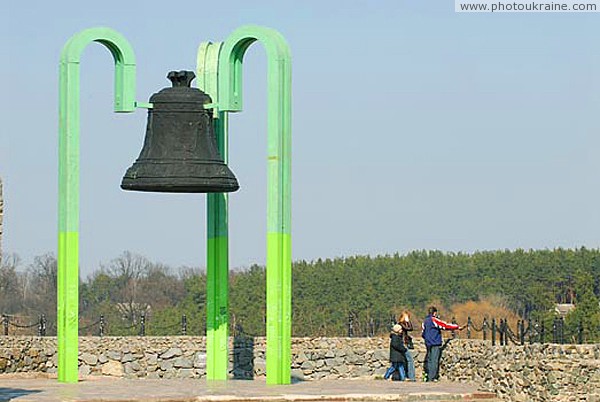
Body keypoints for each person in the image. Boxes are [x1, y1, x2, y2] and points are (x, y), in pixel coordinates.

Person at [421, 306, 464, 382]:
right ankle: (432, 377)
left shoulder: (425, 321)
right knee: (434, 360)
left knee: (429, 360)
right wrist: (456, 327)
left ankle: (428, 376)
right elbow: (445, 325)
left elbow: (423, 333)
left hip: (428, 343)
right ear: (434, 313)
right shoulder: (434, 320)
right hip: (435, 342)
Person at [399, 310, 416, 381]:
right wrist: (408, 321)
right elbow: (409, 328)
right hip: (403, 343)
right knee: (410, 360)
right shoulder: (400, 324)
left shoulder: (403, 324)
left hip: (404, 343)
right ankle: (411, 377)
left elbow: (411, 328)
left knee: (406, 360)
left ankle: (405, 376)